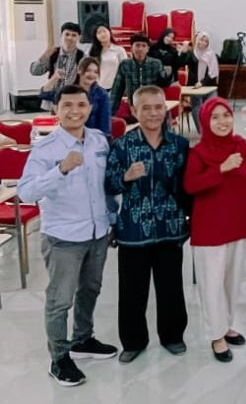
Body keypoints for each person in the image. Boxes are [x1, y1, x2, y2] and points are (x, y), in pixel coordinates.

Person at [19, 84, 119, 387]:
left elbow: (106, 186)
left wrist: (113, 219)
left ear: (90, 108)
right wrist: (60, 169)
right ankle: (59, 358)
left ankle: (82, 339)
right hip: (63, 236)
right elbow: (26, 192)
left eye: (81, 105)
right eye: (67, 106)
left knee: (90, 289)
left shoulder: (99, 140)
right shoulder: (46, 149)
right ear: (56, 110)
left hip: (97, 231)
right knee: (60, 299)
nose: (75, 111)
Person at [104, 86, 191, 363]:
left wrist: (189, 221)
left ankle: (173, 336)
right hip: (132, 231)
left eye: (158, 107)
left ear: (166, 108)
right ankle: (133, 341)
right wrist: (125, 177)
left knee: (171, 287)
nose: (153, 113)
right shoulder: (122, 145)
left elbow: (187, 187)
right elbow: (108, 184)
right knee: (132, 291)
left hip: (170, 228)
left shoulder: (179, 145)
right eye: (146, 108)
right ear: (134, 111)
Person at [184, 98, 246, 363]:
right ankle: (215, 335)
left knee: (232, 282)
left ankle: (227, 325)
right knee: (212, 285)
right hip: (210, 230)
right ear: (205, 121)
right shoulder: (198, 152)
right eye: (215, 117)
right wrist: (221, 169)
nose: (222, 122)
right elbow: (191, 185)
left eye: (226, 115)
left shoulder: (242, 147)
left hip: (239, 225)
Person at [39, 57, 111, 137]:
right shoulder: (69, 90)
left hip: (90, 138)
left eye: (96, 72)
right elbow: (44, 94)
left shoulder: (102, 95)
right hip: (66, 136)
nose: (92, 74)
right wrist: (55, 77)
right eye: (88, 70)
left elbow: (105, 127)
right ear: (79, 70)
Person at [109, 33, 173, 117]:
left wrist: (169, 74)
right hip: (133, 109)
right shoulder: (125, 65)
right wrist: (110, 114)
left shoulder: (156, 63)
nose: (140, 49)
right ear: (131, 48)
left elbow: (164, 84)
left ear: (148, 49)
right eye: (137, 45)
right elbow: (116, 91)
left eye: (143, 46)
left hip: (152, 107)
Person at [31, 22, 84, 111]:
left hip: (72, 101)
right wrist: (43, 57)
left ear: (79, 37)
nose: (70, 38)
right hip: (51, 101)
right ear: (61, 35)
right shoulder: (53, 54)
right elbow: (35, 71)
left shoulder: (82, 56)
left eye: (74, 35)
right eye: (67, 34)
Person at [182, 31, 220, 132]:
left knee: (212, 107)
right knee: (196, 107)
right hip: (194, 86)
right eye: (201, 40)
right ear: (197, 40)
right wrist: (184, 51)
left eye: (206, 41)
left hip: (209, 85)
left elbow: (213, 73)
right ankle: (202, 131)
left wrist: (202, 83)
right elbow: (182, 62)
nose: (203, 42)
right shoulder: (192, 54)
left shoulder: (211, 55)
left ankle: (212, 130)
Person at [88, 24, 128, 92]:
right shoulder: (92, 52)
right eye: (99, 33)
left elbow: (125, 69)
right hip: (98, 87)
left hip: (116, 87)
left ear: (109, 32)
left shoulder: (119, 50)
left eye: (104, 31)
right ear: (96, 36)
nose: (102, 34)